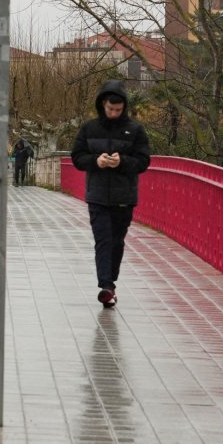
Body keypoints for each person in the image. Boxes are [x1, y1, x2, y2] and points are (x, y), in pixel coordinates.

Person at [70, 79, 151, 308]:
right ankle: (105, 285)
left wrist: (121, 162)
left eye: (118, 109)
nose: (114, 113)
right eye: (110, 109)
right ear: (102, 105)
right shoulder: (89, 128)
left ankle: (111, 284)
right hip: (97, 195)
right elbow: (77, 157)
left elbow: (143, 161)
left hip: (124, 196)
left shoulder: (135, 130)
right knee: (103, 240)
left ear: (123, 107)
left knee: (117, 242)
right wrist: (96, 161)